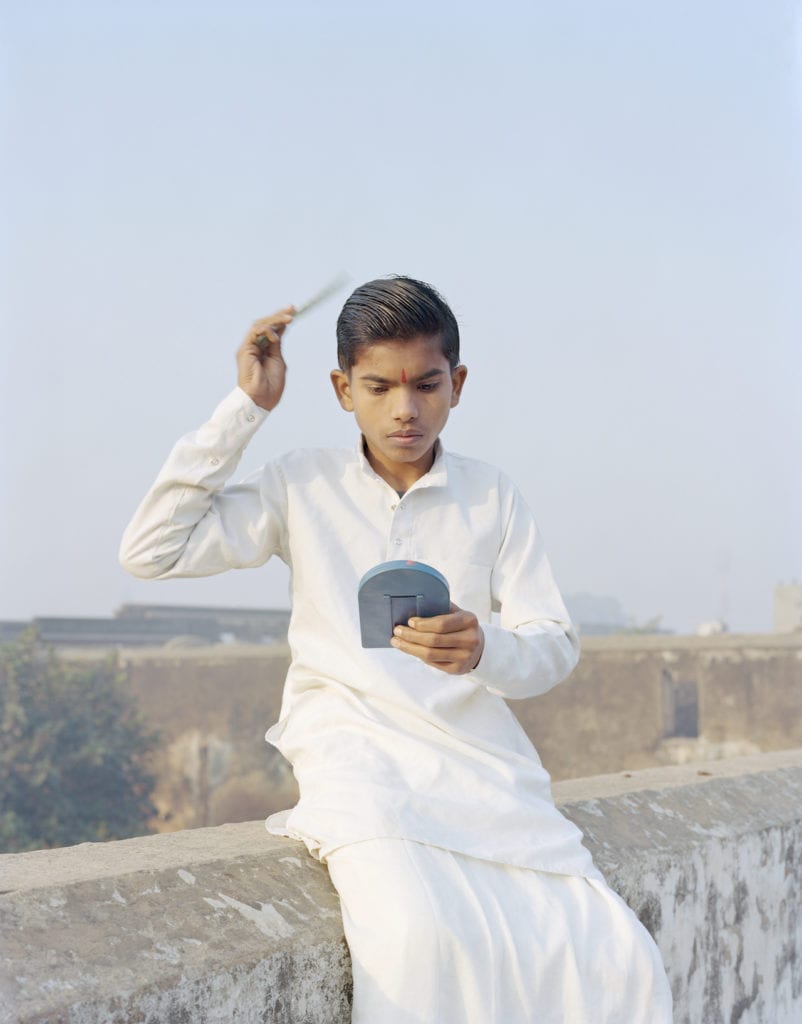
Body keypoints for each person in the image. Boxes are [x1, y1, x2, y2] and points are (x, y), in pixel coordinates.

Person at [120, 276, 673, 1023]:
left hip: (484, 770)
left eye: (426, 385)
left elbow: (553, 646)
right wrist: (247, 406)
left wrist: (484, 647)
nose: (404, 409)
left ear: (458, 385)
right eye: (379, 387)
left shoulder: (492, 495)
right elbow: (152, 551)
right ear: (343, 389)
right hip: (356, 763)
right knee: (414, 941)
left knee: (614, 957)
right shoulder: (301, 483)